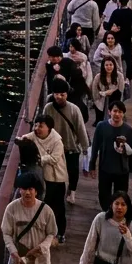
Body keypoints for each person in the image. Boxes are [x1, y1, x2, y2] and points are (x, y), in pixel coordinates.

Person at [20, 115, 68, 242]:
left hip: (56, 178)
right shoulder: (34, 135)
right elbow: (26, 137)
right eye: (36, 125)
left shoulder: (57, 141)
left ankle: (60, 233)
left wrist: (40, 159)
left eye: (41, 126)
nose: (37, 128)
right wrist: (21, 140)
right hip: (42, 177)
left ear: (49, 128)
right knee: (44, 205)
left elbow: (54, 158)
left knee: (57, 207)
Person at [44, 78, 89, 206]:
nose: (59, 97)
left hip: (71, 147)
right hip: (54, 147)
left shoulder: (74, 109)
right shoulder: (48, 108)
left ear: (67, 94)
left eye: (62, 94)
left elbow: (81, 129)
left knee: (73, 171)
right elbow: (42, 124)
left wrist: (85, 148)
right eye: (56, 94)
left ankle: (72, 191)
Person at [89, 101, 132, 211]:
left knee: (121, 196)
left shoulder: (128, 130)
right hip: (105, 167)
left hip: (122, 170)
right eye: (115, 111)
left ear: (123, 114)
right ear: (109, 112)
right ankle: (106, 212)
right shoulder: (101, 126)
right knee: (104, 194)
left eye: (120, 112)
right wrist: (92, 166)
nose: (117, 114)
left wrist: (124, 150)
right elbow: (95, 147)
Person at [91, 57, 122, 124]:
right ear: (103, 66)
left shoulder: (119, 76)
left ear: (114, 65)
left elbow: (121, 91)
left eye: (111, 65)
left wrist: (112, 92)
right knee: (100, 122)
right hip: (100, 101)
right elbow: (94, 91)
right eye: (106, 65)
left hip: (114, 100)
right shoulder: (98, 76)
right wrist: (99, 98)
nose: (109, 67)